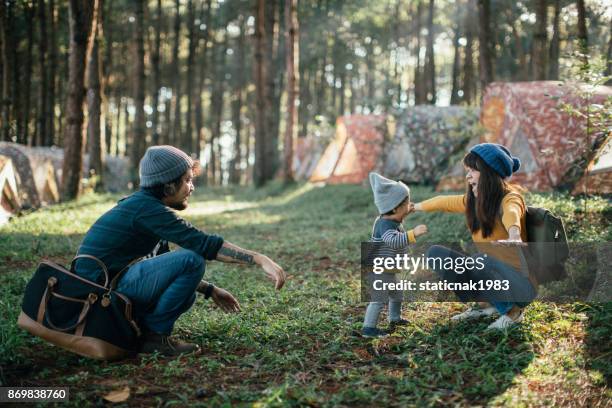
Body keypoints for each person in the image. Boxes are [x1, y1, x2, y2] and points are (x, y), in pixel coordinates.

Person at [74, 145, 286, 356]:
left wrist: (209, 290)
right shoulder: (146, 209)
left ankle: (139, 332)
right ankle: (155, 338)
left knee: (188, 295)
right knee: (192, 260)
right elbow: (203, 245)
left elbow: (161, 262)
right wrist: (259, 259)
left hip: (108, 291)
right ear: (167, 186)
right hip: (97, 299)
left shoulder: (143, 206)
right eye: (187, 180)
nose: (192, 187)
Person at [414, 143, 536, 330]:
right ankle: (486, 306)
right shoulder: (476, 200)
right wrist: (414, 207)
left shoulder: (510, 197)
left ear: (489, 173)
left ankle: (513, 313)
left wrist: (514, 233)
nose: (468, 175)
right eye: (467, 170)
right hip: (494, 277)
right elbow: (443, 201)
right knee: (436, 254)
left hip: (520, 286)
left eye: (473, 170)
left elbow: (512, 212)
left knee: (481, 260)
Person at [362, 172, 428, 338]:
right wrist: (413, 234)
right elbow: (393, 240)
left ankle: (395, 318)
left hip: (388, 269)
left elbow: (397, 220)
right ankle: (368, 328)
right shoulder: (385, 225)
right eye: (406, 203)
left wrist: (407, 211)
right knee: (378, 299)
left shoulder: (389, 218)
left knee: (397, 294)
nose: (409, 204)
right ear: (394, 208)